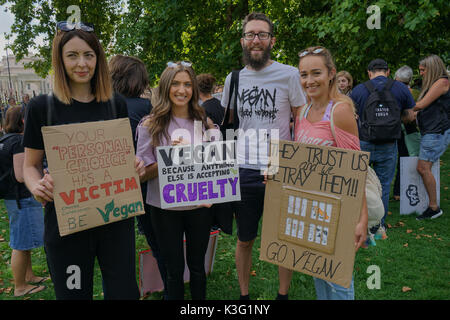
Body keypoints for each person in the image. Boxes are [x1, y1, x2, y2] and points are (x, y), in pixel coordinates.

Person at [22, 21, 143, 300]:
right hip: (68, 226)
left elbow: (125, 156)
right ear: (60, 59)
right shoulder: (42, 107)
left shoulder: (116, 104)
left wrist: (132, 165)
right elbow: (29, 165)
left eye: (89, 55)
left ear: (98, 59)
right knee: (74, 294)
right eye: (72, 55)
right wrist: (36, 185)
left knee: (124, 292)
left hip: (115, 221)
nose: (82, 63)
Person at [221, 12, 306, 300]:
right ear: (242, 40)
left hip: (280, 166)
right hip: (243, 168)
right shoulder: (233, 79)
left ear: (272, 40)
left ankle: (282, 296)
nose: (256, 40)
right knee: (245, 239)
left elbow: (301, 118)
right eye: (250, 34)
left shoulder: (290, 74)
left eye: (262, 34)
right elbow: (227, 123)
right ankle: (244, 296)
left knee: (283, 237)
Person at [278, 46, 367, 300]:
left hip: (339, 212)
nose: (309, 80)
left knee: (339, 283)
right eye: (304, 75)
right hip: (311, 212)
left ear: (331, 73)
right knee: (319, 275)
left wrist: (360, 218)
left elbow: (355, 170)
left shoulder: (339, 111)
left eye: (316, 73)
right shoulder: (303, 112)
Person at [136, 61, 215, 300]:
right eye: (176, 84)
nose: (182, 90)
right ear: (166, 87)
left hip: (199, 206)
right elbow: (142, 173)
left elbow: (215, 164)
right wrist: (168, 157)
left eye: (187, 84)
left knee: (198, 268)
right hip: (164, 207)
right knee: (173, 271)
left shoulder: (204, 121)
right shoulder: (149, 124)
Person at [109, 54, 168, 298]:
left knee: (117, 247)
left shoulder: (106, 106)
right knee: (158, 240)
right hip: (149, 185)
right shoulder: (149, 109)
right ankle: (169, 284)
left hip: (114, 187)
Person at [350, 58, 415, 237]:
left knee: (358, 183)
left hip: (363, 143)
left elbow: (350, 115)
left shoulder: (359, 90)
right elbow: (410, 116)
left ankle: (358, 221)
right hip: (388, 144)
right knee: (384, 185)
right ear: (387, 71)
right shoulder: (401, 88)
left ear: (369, 72)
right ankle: (379, 226)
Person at [0, 106, 48, 297]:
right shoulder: (20, 142)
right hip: (23, 199)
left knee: (24, 239)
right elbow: (22, 175)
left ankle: (29, 276)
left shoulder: (4, 140)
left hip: (13, 198)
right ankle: (20, 286)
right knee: (20, 243)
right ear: (22, 121)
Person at [413, 55, 450, 220]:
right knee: (424, 168)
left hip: (436, 132)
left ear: (432, 68)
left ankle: (434, 207)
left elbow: (421, 105)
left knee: (423, 168)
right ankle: (433, 206)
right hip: (432, 131)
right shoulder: (435, 83)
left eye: (423, 70)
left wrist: (399, 105)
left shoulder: (442, 82)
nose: (421, 73)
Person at [392, 66, 421, 201]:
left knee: (402, 159)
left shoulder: (393, 91)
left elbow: (413, 114)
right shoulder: (413, 93)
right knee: (403, 159)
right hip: (404, 129)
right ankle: (399, 192)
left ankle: (399, 191)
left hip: (402, 130)